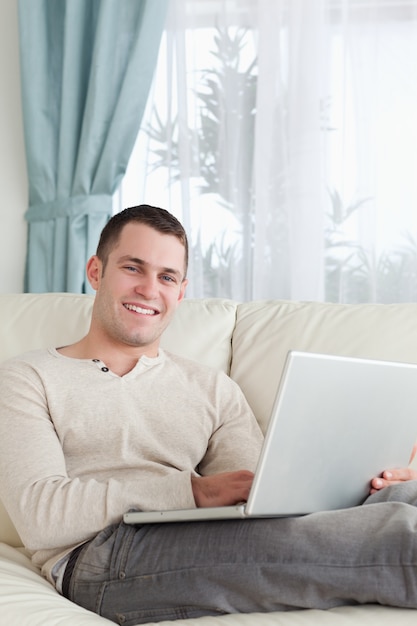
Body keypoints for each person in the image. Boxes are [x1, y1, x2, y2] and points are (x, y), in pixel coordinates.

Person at [1, 204, 417, 626]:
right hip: (101, 557)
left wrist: (367, 480)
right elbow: (42, 515)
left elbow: (264, 494)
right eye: (132, 268)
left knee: (403, 500)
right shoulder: (27, 377)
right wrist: (194, 492)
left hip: (201, 530)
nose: (149, 289)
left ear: (181, 292)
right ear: (96, 271)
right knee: (397, 539)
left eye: (166, 277)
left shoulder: (211, 387)